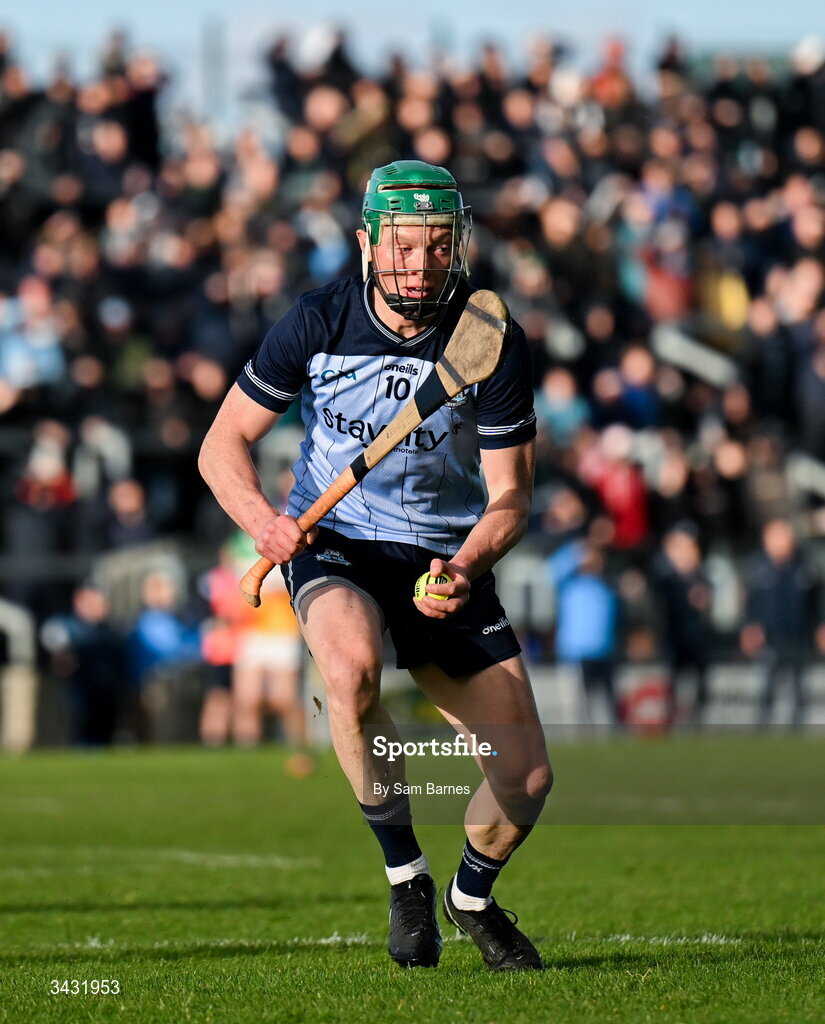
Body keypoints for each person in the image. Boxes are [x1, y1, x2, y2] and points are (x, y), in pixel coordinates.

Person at [199, 160, 552, 971]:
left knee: (524, 782)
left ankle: (470, 896)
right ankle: (406, 877)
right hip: (337, 542)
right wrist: (264, 523)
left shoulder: (487, 337)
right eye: (400, 245)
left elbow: (510, 498)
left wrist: (463, 566)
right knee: (350, 670)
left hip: (440, 556)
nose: (418, 264)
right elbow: (221, 445)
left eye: (435, 246)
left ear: (457, 245)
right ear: (365, 242)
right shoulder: (317, 321)